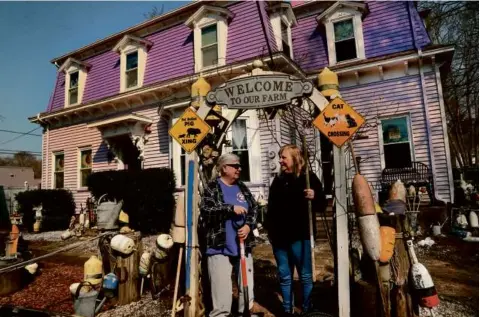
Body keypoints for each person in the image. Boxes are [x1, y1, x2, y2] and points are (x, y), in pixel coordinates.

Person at [265, 144, 326, 315]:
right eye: (280, 157)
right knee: (285, 276)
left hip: (300, 236)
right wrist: (270, 231)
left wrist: (315, 196)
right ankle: (287, 310)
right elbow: (271, 209)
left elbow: (321, 204)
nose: (280, 161)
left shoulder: (308, 178)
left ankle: (307, 309)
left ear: (295, 158)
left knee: (305, 276)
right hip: (279, 238)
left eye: (284, 157)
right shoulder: (278, 181)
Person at [200, 153, 258, 317]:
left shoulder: (242, 187)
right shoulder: (212, 187)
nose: (239, 168)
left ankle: (244, 312)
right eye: (235, 165)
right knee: (222, 291)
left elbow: (253, 208)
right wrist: (229, 208)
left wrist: (248, 225)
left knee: (247, 288)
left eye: (239, 166)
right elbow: (206, 211)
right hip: (220, 245)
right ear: (224, 168)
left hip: (243, 244)